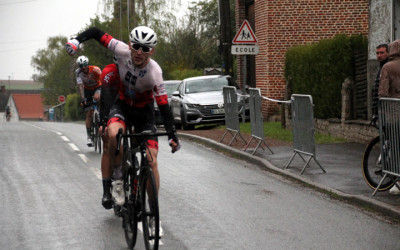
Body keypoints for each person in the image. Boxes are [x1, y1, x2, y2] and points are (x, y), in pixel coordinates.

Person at [66, 26, 180, 210]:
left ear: (152, 51)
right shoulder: (120, 50)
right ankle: (117, 180)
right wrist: (76, 41)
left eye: (145, 48)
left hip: (144, 113)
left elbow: (165, 106)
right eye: (136, 46)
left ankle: (153, 211)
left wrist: (172, 135)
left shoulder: (155, 72)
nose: (139, 52)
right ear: (129, 45)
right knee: (114, 134)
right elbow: (96, 32)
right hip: (123, 106)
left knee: (152, 161)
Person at [378, 39, 400, 195]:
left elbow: (383, 92)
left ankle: (397, 181)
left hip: (394, 113)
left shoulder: (387, 67)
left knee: (395, 145)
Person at [99, 57, 120, 209]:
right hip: (111, 107)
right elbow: (105, 100)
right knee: (107, 144)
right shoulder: (109, 73)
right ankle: (106, 191)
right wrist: (103, 122)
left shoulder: (138, 70)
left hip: (130, 109)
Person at [75, 55, 102, 147]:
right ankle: (89, 136)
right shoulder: (78, 73)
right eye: (81, 66)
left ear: (88, 64)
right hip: (87, 90)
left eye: (85, 65)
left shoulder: (95, 69)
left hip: (97, 87)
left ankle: (100, 113)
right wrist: (83, 98)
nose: (84, 67)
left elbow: (103, 80)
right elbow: (80, 86)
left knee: (97, 97)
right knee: (88, 114)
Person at [371, 44, 389, 122]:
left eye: (382, 53)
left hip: (387, 108)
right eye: (377, 53)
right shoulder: (381, 67)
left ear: (388, 53)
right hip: (380, 107)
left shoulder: (388, 67)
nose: (379, 55)